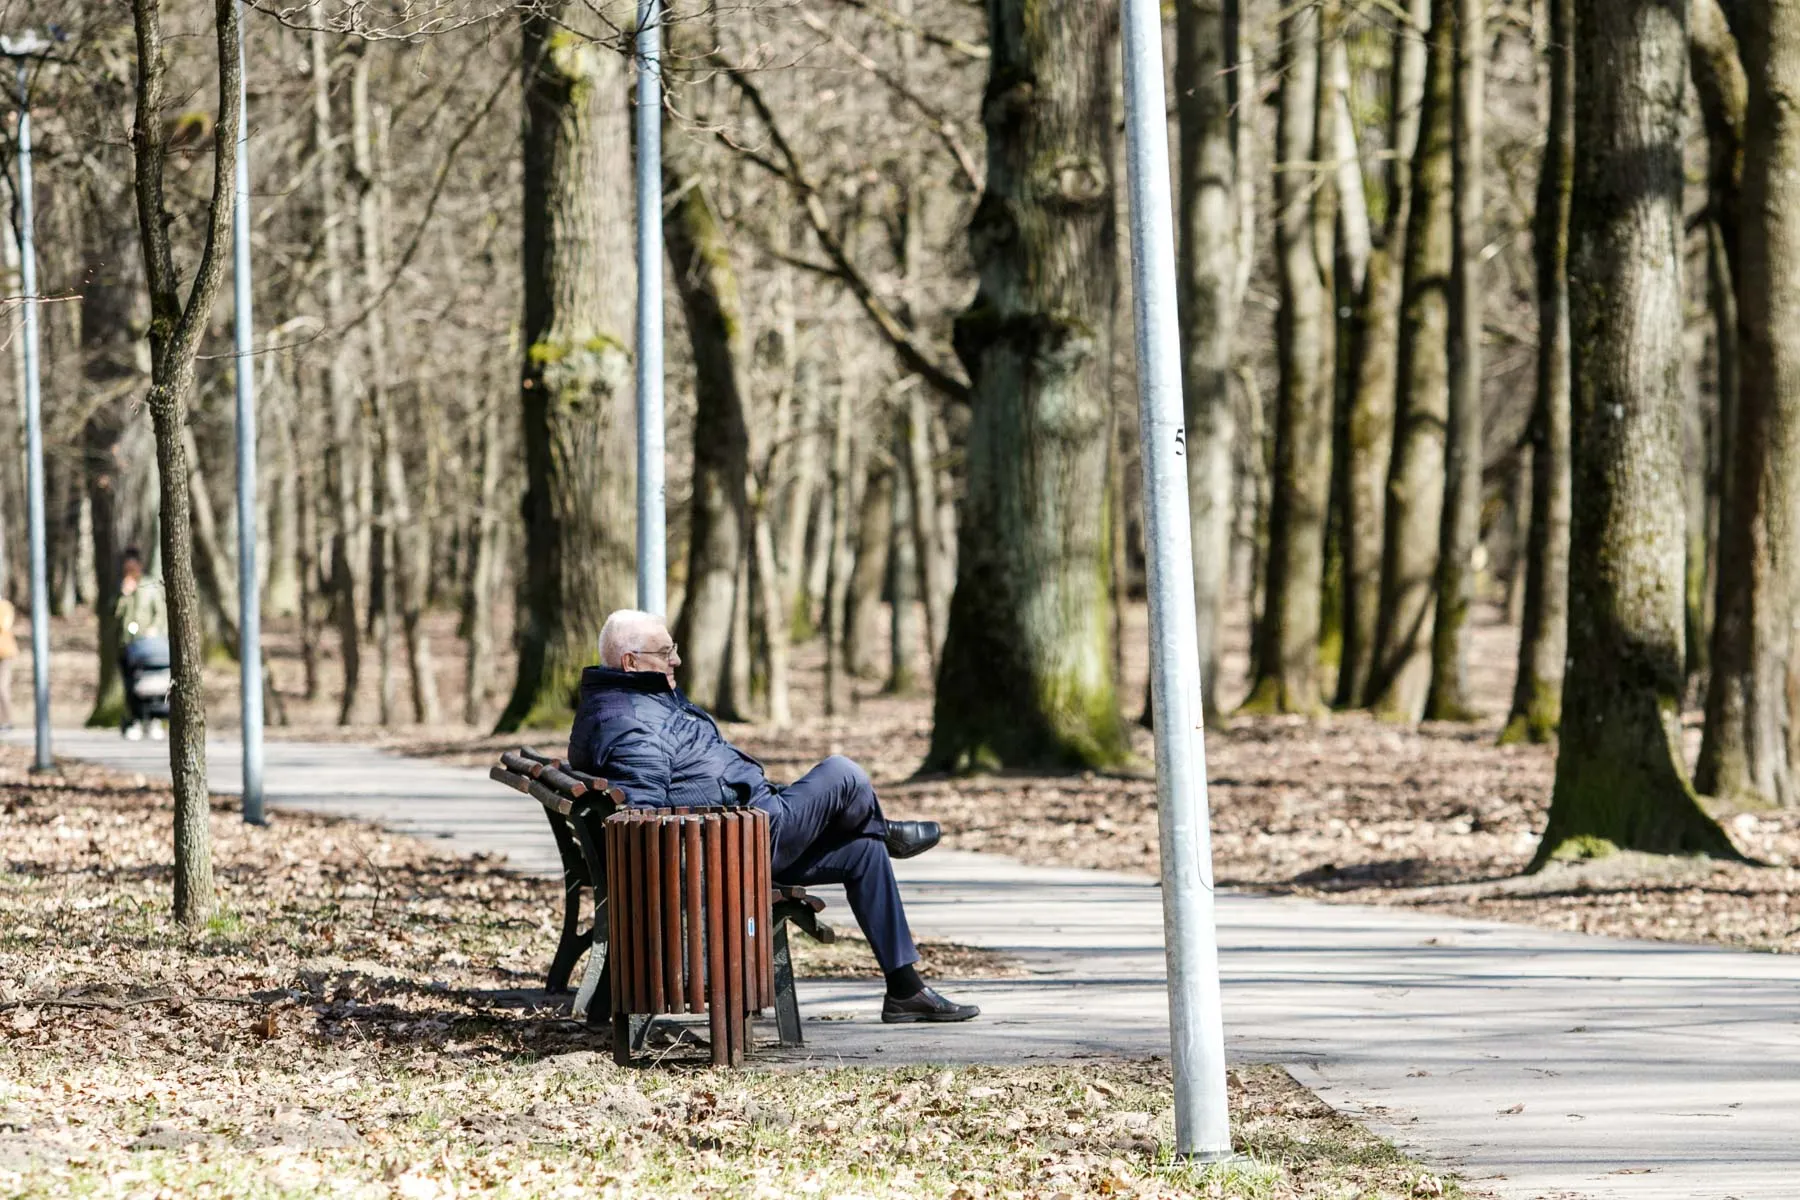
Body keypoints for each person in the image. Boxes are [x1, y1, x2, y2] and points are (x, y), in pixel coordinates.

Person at [570, 609, 980, 1024]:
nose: (676, 660)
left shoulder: (636, 701)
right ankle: (888, 829)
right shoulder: (630, 723)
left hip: (742, 834)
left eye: (673, 649)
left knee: (865, 852)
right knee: (844, 773)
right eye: (665, 652)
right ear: (631, 662)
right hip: (731, 850)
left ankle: (905, 989)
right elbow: (644, 820)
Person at [114, 548, 170, 742]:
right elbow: (115, 615)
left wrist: (154, 629)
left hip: (149, 644)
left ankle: (154, 720)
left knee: (152, 683)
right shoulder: (123, 588)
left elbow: (160, 613)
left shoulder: (149, 586)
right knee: (130, 685)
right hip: (128, 644)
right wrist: (124, 595)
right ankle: (135, 720)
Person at [0, 595, 15, 732]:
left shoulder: (5, 606)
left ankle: (8, 720)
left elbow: (4, 626)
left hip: (5, 653)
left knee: (2, 688)